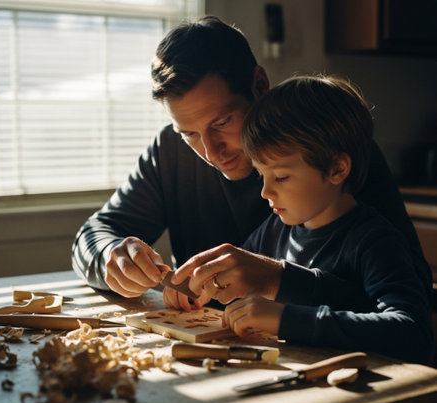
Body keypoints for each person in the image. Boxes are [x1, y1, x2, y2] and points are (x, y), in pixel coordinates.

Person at [71, 17, 431, 319]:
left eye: (222, 121)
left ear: (259, 85)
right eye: (190, 134)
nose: (211, 151)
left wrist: (279, 280)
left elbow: (411, 302)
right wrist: (110, 256)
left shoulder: (326, 148)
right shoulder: (170, 150)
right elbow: (94, 233)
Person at [170, 75, 433, 364]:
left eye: (281, 177)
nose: (265, 191)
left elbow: (413, 332)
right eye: (262, 175)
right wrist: (196, 289)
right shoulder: (274, 230)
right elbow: (235, 288)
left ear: (336, 169)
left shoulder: (374, 240)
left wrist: (287, 319)